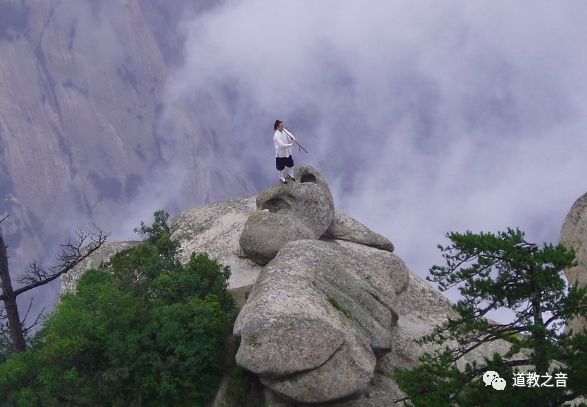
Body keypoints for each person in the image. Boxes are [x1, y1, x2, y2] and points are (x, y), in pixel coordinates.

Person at [273, 120, 297, 184]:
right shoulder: (276, 136)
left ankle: (290, 174)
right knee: (281, 168)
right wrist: (291, 144)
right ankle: (281, 178)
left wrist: (292, 138)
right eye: (281, 126)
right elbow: (282, 145)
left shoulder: (284, 130)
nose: (283, 127)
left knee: (290, 164)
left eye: (283, 125)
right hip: (280, 154)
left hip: (287, 152)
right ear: (277, 127)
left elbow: (290, 135)